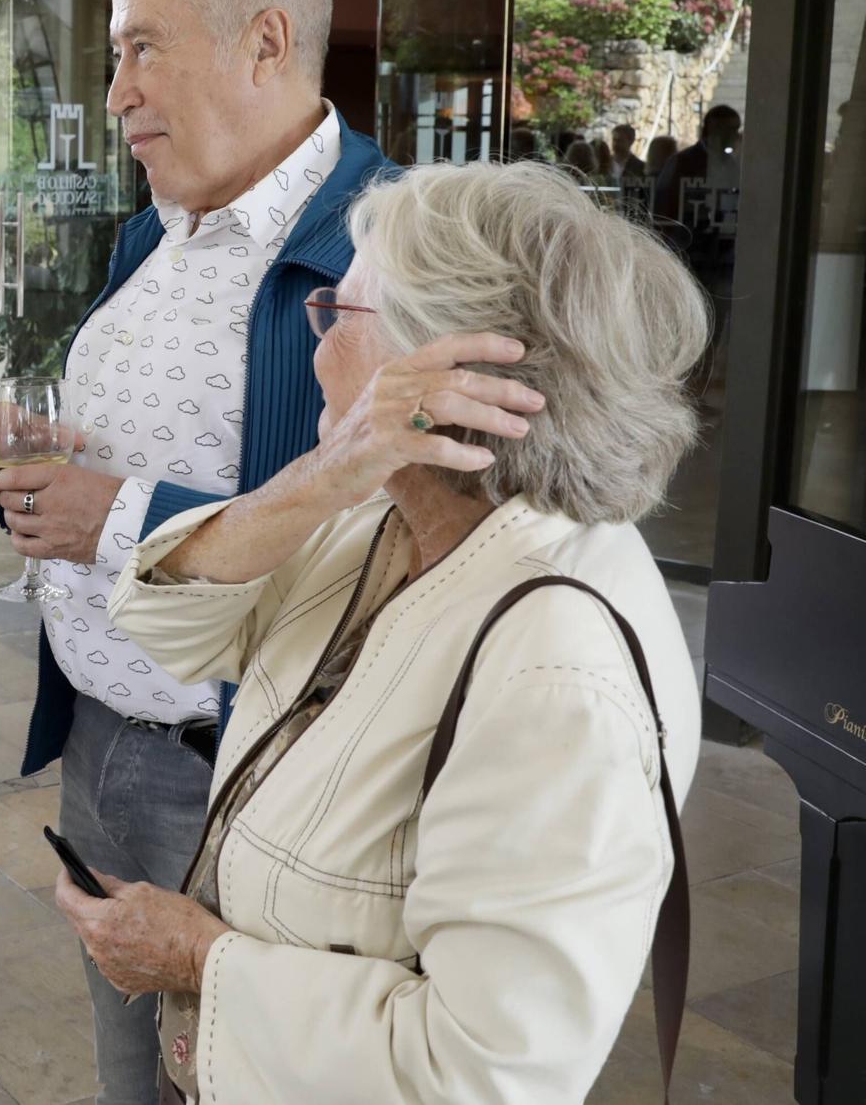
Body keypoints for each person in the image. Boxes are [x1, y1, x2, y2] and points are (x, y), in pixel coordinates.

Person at [58, 160, 705, 1103]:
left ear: (457, 369)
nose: (316, 347)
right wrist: (332, 467)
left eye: (342, 317)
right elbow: (166, 620)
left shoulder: (555, 675)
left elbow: (485, 1073)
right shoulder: (388, 519)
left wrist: (204, 963)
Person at [0, 0, 396, 1105]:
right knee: (132, 1083)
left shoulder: (394, 247)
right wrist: (48, 454)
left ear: (264, 43)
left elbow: (391, 531)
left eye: (141, 47)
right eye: (115, 54)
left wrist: (111, 509)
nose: (115, 94)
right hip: (103, 747)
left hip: (252, 773)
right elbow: (141, 450)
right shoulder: (153, 230)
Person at [653, 103, 741, 224]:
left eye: (736, 129)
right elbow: (663, 208)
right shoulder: (682, 162)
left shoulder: (732, 164)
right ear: (714, 129)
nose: (736, 135)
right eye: (731, 129)